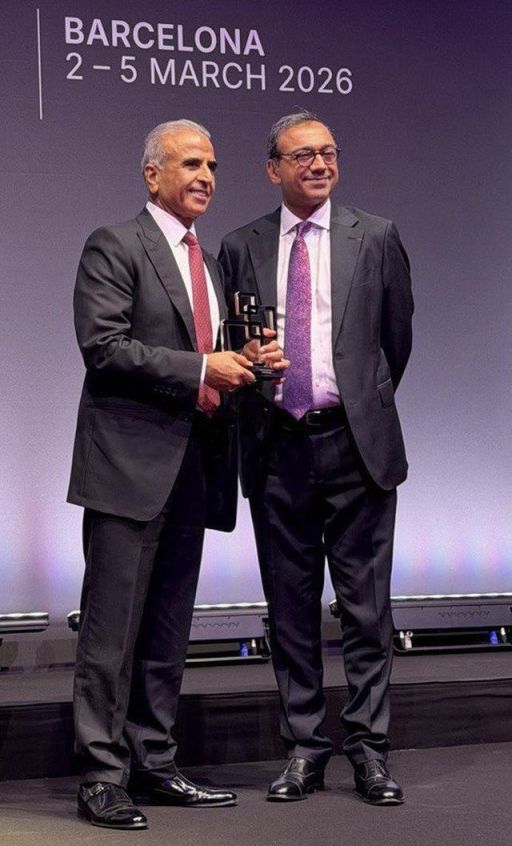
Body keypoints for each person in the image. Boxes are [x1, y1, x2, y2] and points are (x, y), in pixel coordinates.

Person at [67, 119, 282, 830]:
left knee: (167, 628)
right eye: (191, 164)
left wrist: (249, 363)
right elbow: (104, 346)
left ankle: (154, 761)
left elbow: (213, 356)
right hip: (127, 468)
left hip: (195, 466)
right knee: (111, 633)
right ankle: (102, 775)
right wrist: (201, 368)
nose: (206, 177)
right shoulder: (115, 244)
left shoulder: (211, 264)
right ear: (152, 174)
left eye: (212, 166)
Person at [219, 110, 414, 805]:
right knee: (291, 608)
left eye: (328, 152)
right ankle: (304, 748)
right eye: (303, 155)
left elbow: (396, 342)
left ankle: (370, 750)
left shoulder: (376, 235)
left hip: (355, 446)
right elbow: (231, 343)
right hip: (276, 446)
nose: (320, 164)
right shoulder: (240, 245)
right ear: (273, 168)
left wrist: (356, 403)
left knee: (366, 608)